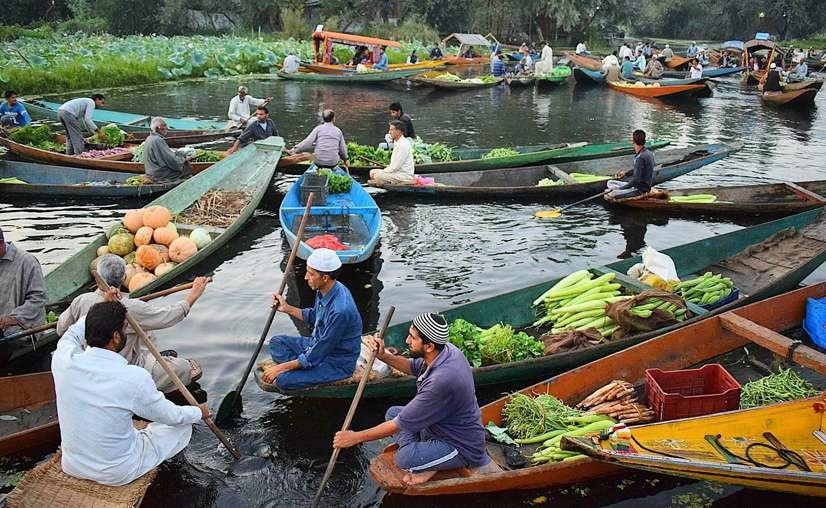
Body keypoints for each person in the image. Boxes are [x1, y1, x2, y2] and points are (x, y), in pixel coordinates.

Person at [52, 300, 208, 486]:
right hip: (116, 472)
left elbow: (72, 332)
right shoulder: (133, 377)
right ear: (116, 337)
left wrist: (105, 305)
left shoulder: (63, 358)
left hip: (72, 465)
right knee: (182, 426)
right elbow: (171, 416)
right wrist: (198, 412)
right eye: (125, 328)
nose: (127, 332)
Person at [332, 313, 489, 485]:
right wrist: (383, 355)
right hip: (438, 426)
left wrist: (356, 437)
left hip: (461, 446)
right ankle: (428, 456)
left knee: (404, 459)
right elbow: (411, 366)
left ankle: (429, 462)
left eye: (412, 338)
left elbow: (397, 426)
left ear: (429, 346)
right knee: (393, 413)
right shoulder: (444, 351)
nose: (407, 341)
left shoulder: (441, 382)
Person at [56, 254, 209, 392]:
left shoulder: (81, 300)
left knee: (145, 330)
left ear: (97, 279)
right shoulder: (129, 308)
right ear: (124, 278)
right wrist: (194, 294)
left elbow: (61, 329)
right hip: (121, 370)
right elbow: (168, 316)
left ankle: (152, 359)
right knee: (183, 368)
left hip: (86, 366)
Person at [262, 249, 362, 389]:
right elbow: (314, 316)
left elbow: (323, 348)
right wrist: (287, 308)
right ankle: (306, 366)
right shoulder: (324, 289)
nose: (305, 277)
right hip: (314, 344)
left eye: (310, 274)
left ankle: (305, 366)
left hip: (336, 362)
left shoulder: (340, 311)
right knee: (276, 342)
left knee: (282, 381)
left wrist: (282, 367)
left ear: (325, 277)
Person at [0, 227, 45, 338]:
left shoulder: (27, 261)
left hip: (23, 326)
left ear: (1, 244)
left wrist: (15, 318)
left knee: (8, 335)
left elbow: (38, 298)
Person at [606, 129, 655, 200]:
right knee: (610, 182)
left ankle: (619, 190)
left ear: (633, 141)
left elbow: (636, 181)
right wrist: (626, 174)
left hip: (639, 189)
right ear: (644, 141)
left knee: (612, 193)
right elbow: (638, 169)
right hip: (642, 186)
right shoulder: (649, 153)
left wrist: (620, 188)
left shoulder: (640, 157)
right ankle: (619, 189)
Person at [142, 117, 192, 182]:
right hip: (159, 174)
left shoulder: (149, 138)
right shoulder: (158, 140)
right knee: (185, 166)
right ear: (157, 128)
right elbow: (171, 159)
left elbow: (165, 155)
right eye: (164, 126)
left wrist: (179, 154)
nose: (167, 128)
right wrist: (183, 159)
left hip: (152, 172)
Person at [370, 120, 415, 185]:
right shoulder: (397, 142)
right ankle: (386, 182)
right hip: (396, 172)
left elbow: (395, 167)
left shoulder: (402, 145)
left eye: (391, 130)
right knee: (372, 172)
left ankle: (403, 182)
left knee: (377, 176)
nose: (389, 132)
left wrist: (385, 170)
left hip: (404, 175)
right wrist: (387, 169)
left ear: (398, 131)